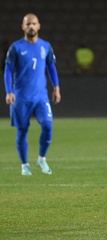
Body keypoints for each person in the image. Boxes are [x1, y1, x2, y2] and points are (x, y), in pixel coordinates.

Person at [4, 13, 61, 175]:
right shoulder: (16, 47)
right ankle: (25, 165)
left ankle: (41, 158)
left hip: (40, 97)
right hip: (21, 97)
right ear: (23, 27)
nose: (31, 26)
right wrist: (9, 91)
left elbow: (51, 67)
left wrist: (56, 87)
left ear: (39, 26)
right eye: (28, 24)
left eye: (34, 24)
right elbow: (8, 70)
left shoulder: (45, 46)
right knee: (22, 131)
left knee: (48, 126)